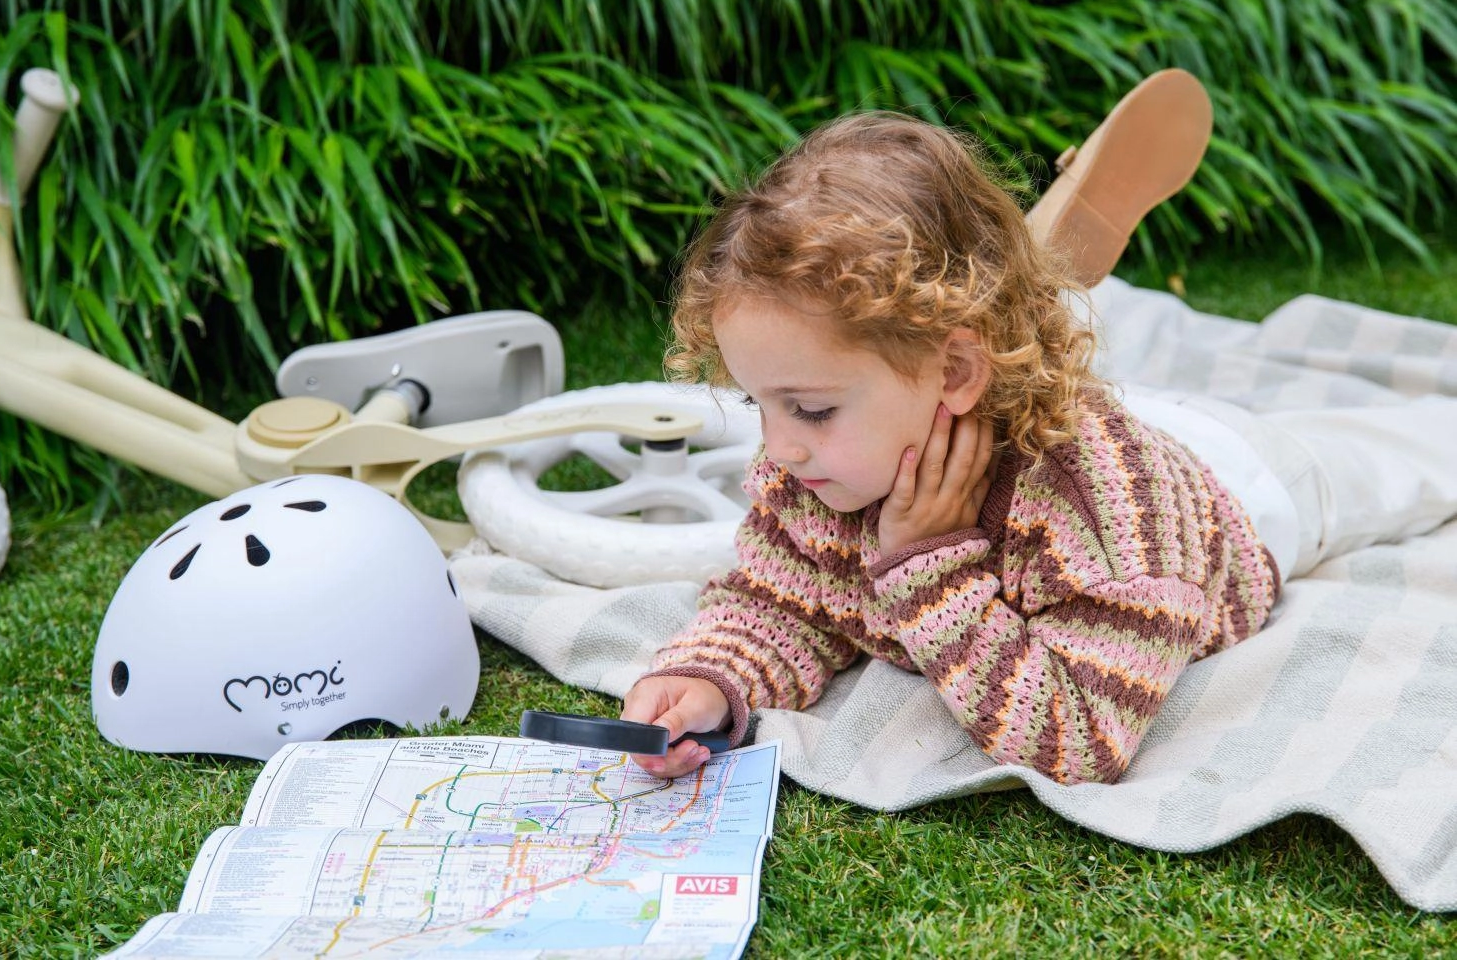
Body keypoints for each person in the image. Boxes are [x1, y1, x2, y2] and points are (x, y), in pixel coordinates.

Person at [618, 71, 1457, 785]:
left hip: (1247, 483)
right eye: (758, 405)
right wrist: (710, 678)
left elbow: (1080, 738)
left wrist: (929, 569)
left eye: (809, 407)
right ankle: (1031, 280)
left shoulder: (1111, 512)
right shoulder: (820, 467)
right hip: (1023, 397)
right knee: (1009, 340)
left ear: (954, 374)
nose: (778, 448)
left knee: (1409, 460)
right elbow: (783, 603)